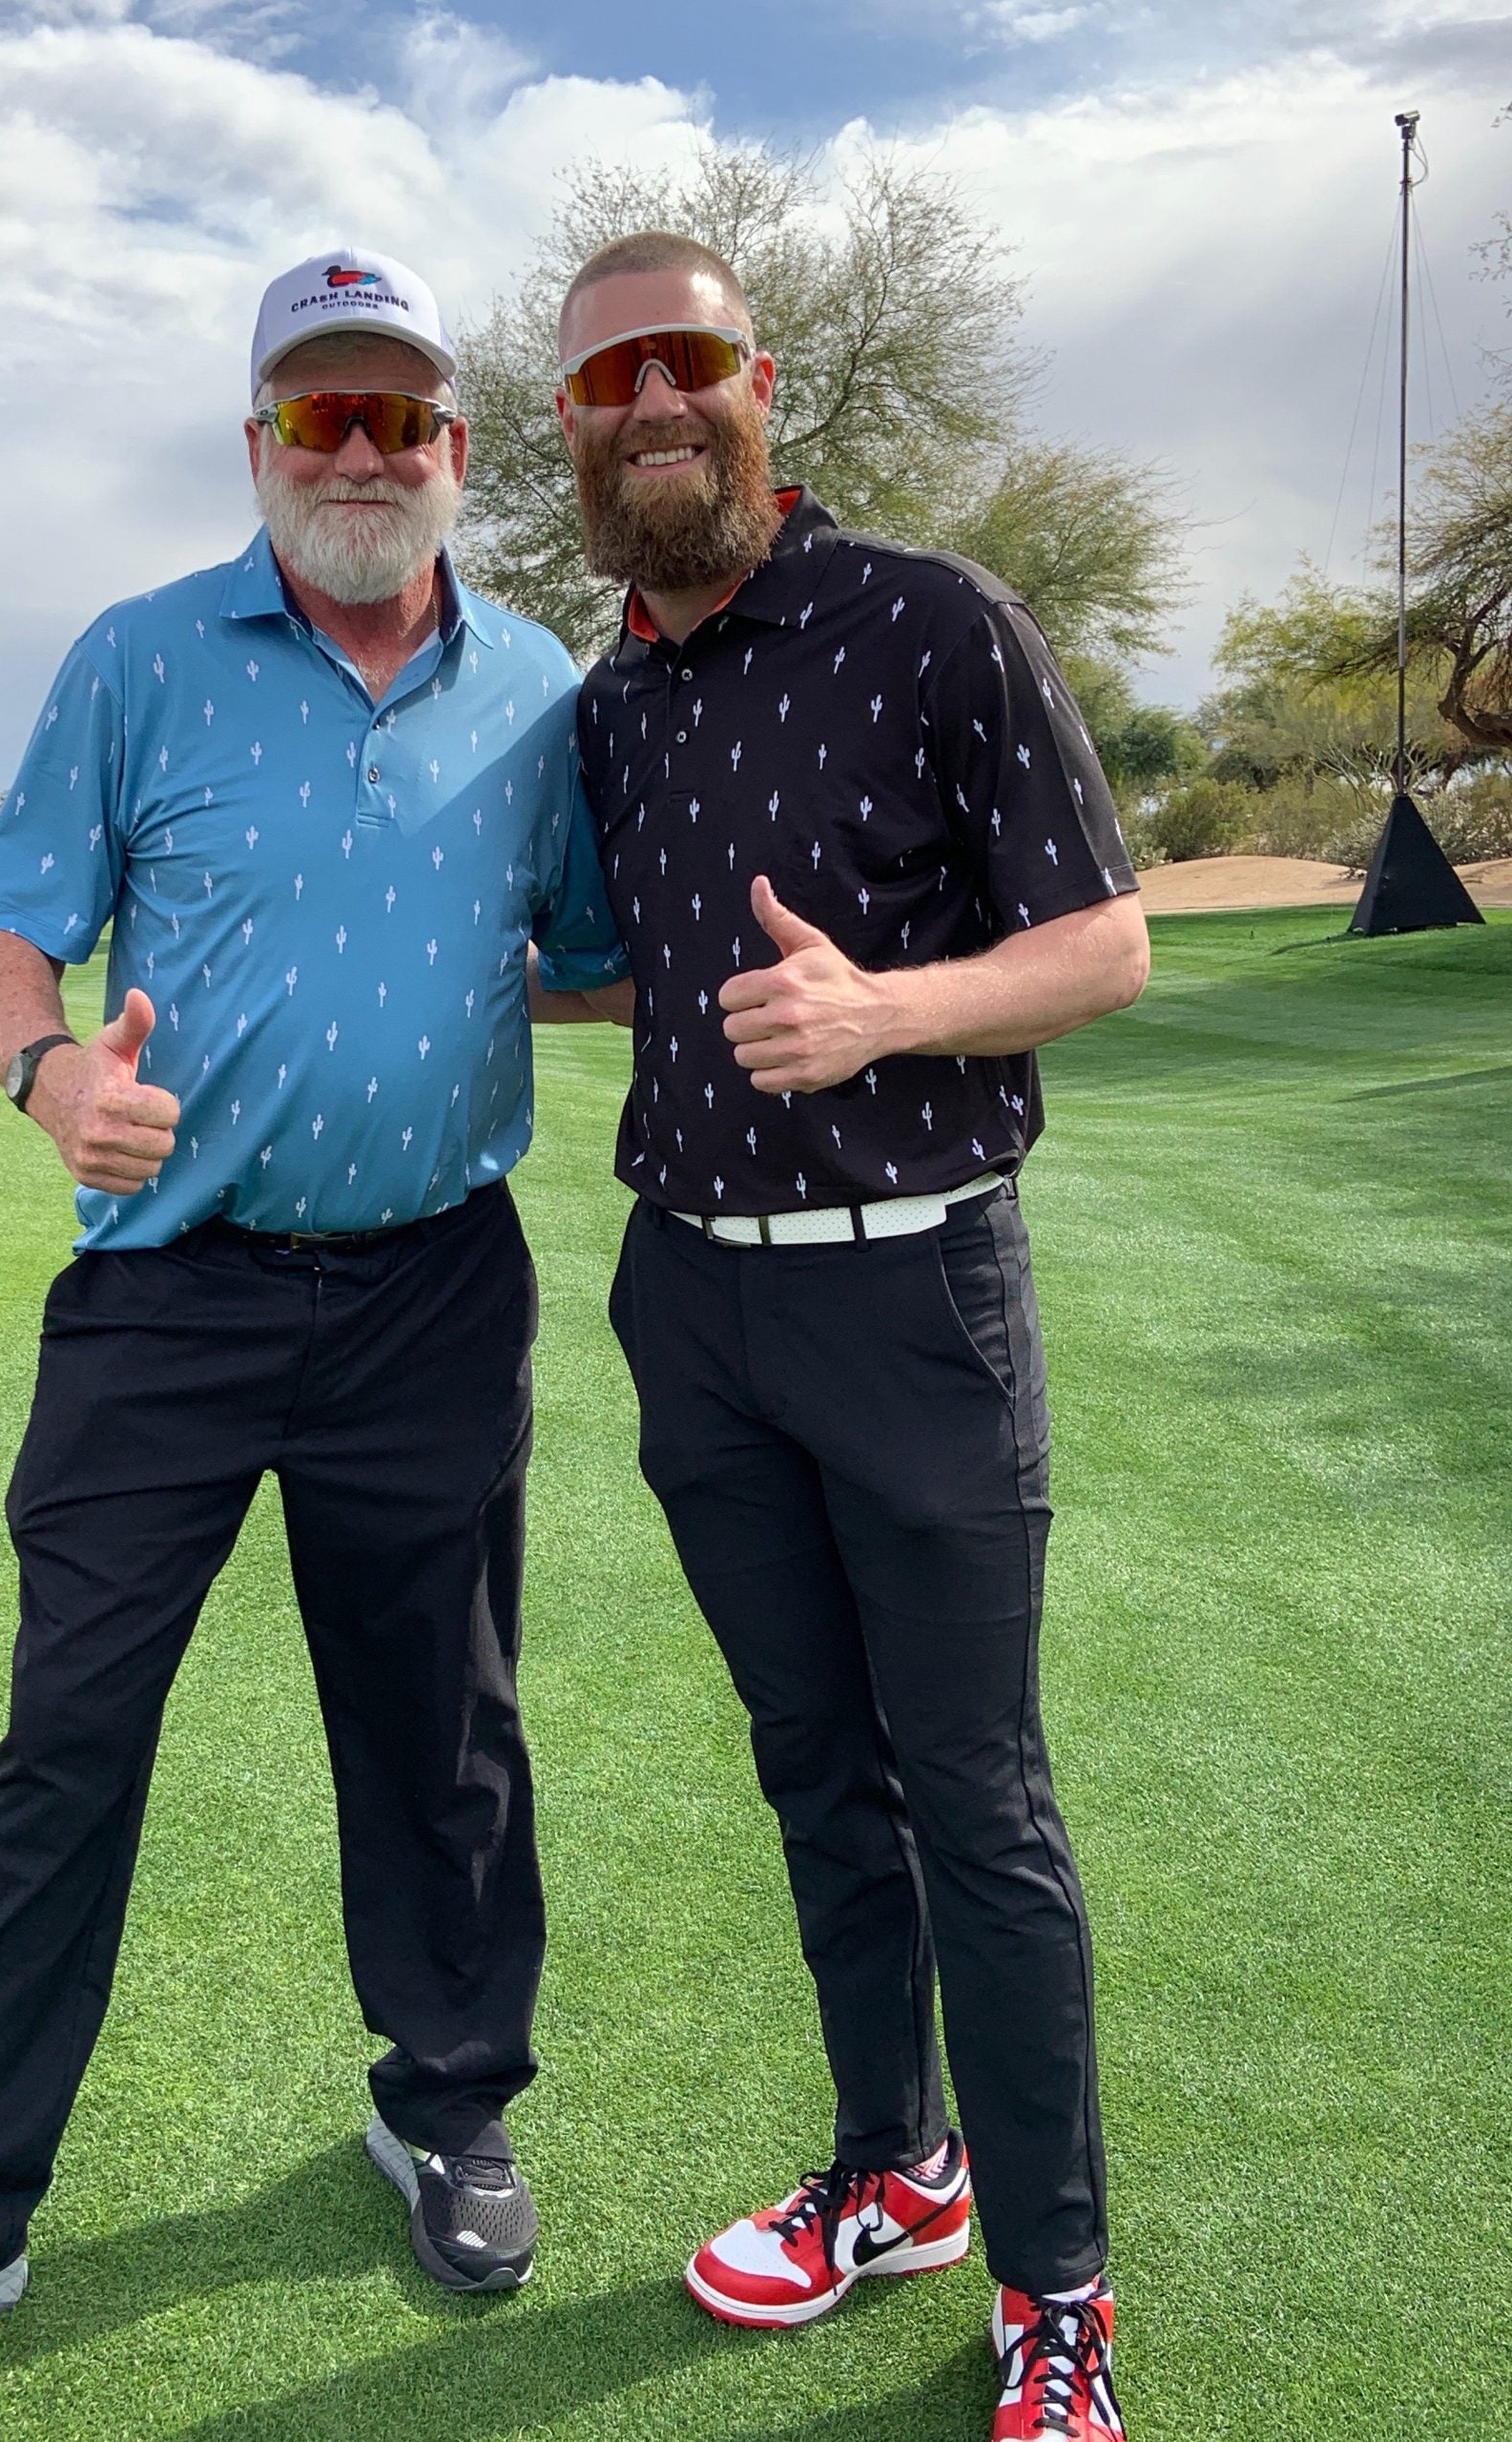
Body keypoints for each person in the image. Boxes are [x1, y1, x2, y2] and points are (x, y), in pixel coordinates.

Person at [0, 244, 630, 2423]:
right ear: (255, 446)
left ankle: (445, 2101)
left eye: (400, 414)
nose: (362, 450)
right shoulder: (138, 658)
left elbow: (581, 952)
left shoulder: (534, 687)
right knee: (68, 1745)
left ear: (459, 454)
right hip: (170, 1295)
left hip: (430, 1285)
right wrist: (51, 1081)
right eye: (318, 414)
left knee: (443, 1737)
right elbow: (7, 936)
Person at [556, 233, 1149, 2442]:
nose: (656, 405)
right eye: (614, 376)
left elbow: (1106, 945)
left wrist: (885, 1006)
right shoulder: (614, 697)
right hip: (692, 1301)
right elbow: (631, 966)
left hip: (914, 1295)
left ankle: (1054, 2283)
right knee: (818, 1771)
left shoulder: (934, 618)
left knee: (977, 1801)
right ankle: (896, 2167)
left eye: (688, 361)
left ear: (759, 385)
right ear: (574, 427)